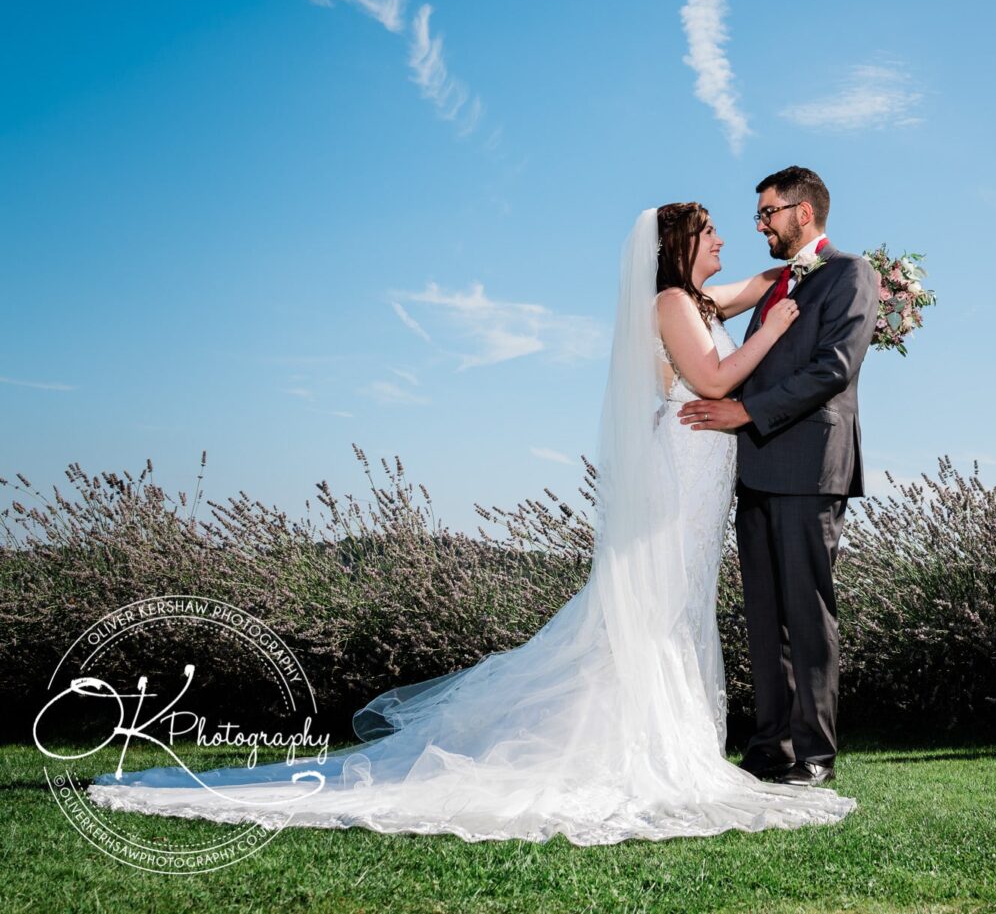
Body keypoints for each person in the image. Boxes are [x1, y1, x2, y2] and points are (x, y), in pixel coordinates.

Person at [85, 204, 857, 845]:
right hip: (682, 471)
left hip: (700, 473)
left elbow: (767, 282)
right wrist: (772, 325)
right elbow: (717, 376)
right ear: (678, 246)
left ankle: (681, 739)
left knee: (679, 609)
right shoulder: (667, 304)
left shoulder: (697, 301)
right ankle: (637, 744)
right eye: (713, 230)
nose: (726, 237)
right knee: (656, 610)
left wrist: (828, 272)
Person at [678, 167, 879, 788]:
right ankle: (768, 748)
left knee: (807, 614)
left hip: (810, 468)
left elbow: (834, 368)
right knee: (765, 618)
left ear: (803, 212)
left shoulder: (851, 273)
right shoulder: (777, 286)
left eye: (768, 213)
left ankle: (814, 755)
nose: (760, 223)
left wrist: (743, 411)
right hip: (757, 467)